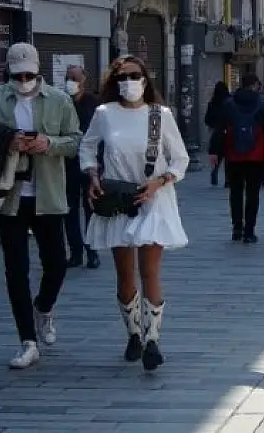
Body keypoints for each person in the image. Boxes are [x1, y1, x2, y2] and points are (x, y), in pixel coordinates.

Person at [81, 55, 189, 371]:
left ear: (145, 79)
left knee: (150, 271)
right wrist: (92, 175)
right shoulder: (105, 114)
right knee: (125, 274)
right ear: (114, 81)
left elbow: (180, 159)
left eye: (136, 75)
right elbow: (87, 148)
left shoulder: (161, 115)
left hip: (154, 197)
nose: (130, 81)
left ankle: (153, 339)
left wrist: (161, 181)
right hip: (118, 199)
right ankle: (133, 333)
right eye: (123, 76)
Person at [0, 43, 81, 369]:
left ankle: (44, 308)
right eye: (17, 75)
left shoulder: (59, 100)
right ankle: (27, 340)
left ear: (38, 71)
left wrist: (47, 143)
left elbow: (75, 140)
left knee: (57, 263)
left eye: (29, 74)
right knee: (16, 270)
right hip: (9, 196)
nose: (23, 80)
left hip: (48, 194)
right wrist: (6, 140)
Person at [210, 75, 264, 243]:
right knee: (253, 194)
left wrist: (214, 151)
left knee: (235, 192)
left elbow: (219, 129)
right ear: (255, 85)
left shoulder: (229, 103)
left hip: (233, 155)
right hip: (257, 155)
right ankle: (249, 232)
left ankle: (237, 228)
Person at [63, 64, 101, 269]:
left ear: (84, 79)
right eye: (68, 78)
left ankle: (92, 252)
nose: (71, 82)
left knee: (90, 210)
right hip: (67, 163)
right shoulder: (61, 102)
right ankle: (75, 252)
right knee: (68, 210)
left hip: (89, 165)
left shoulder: (94, 103)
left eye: (75, 78)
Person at [204, 81, 230, 186]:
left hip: (215, 132)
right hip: (227, 131)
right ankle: (228, 179)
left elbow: (207, 119)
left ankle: (214, 171)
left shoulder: (212, 103)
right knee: (228, 155)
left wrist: (213, 125)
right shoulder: (229, 102)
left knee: (216, 155)